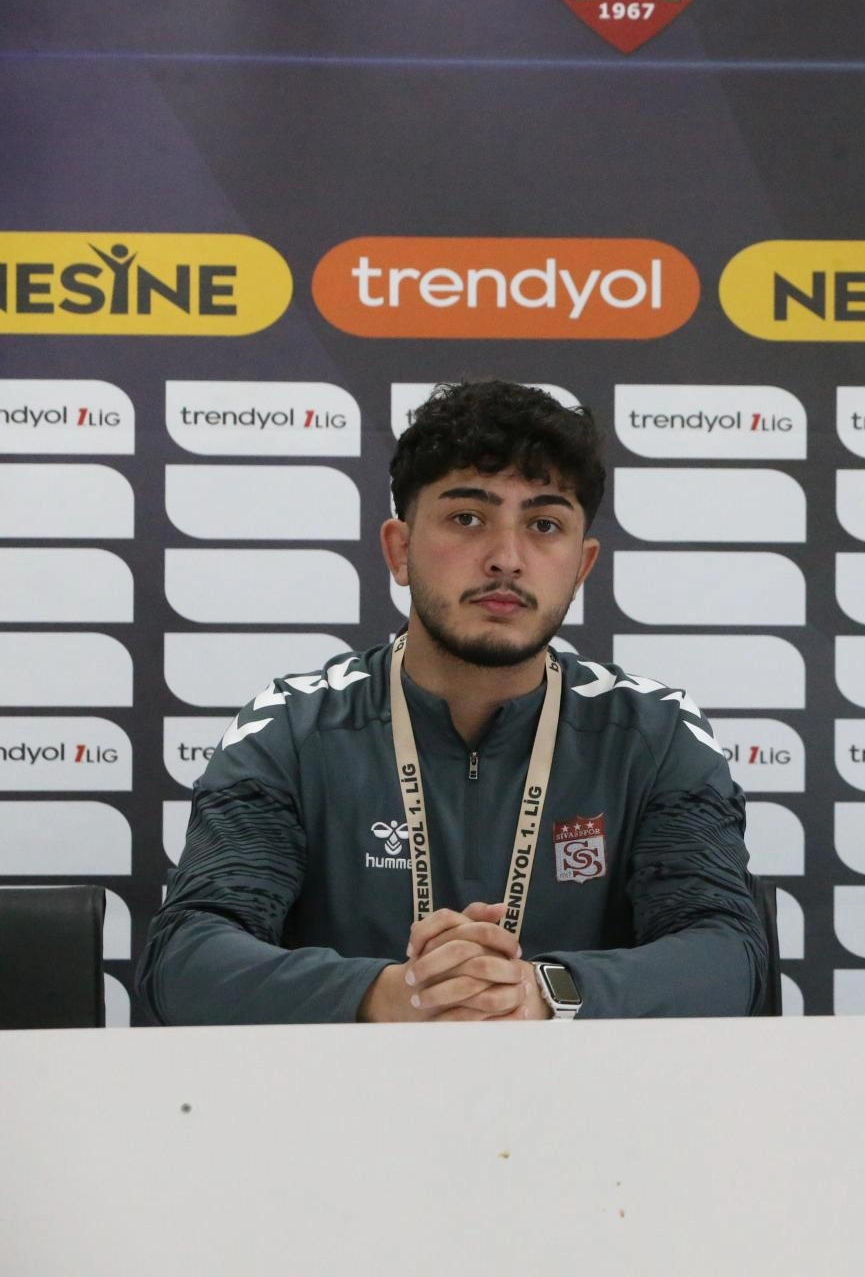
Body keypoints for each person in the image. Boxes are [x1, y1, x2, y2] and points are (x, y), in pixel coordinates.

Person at [138, 380, 765, 1023]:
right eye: (468, 518)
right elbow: (186, 960)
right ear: (399, 550)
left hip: (592, 1087)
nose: (506, 559)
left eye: (544, 525)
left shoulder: (654, 731)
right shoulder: (293, 729)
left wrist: (543, 994)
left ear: (580, 568)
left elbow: (727, 958)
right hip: (345, 1086)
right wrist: (386, 995)